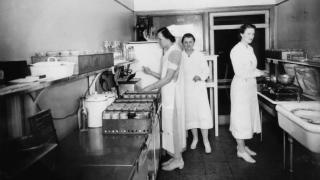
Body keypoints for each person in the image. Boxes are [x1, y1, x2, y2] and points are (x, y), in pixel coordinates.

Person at [142, 27, 186, 171]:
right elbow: (164, 76)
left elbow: (167, 78)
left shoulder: (174, 52)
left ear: (169, 38)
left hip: (173, 96)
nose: (158, 42)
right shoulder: (168, 52)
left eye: (160, 39)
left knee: (174, 129)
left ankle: (178, 160)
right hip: (168, 95)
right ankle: (174, 157)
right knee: (169, 128)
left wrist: (149, 88)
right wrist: (150, 72)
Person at [229, 24, 267, 163]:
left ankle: (243, 147)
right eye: (249, 33)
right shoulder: (236, 50)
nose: (251, 36)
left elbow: (252, 67)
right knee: (240, 118)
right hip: (240, 87)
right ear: (242, 34)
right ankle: (241, 150)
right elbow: (240, 72)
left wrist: (261, 72)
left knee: (248, 117)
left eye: (253, 34)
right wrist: (258, 73)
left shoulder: (249, 48)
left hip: (250, 86)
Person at [181, 33, 213, 153]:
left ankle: (206, 141)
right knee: (191, 115)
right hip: (186, 91)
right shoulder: (181, 56)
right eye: (185, 42)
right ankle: (195, 139)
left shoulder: (199, 55)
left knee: (202, 114)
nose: (188, 44)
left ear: (194, 43)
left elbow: (206, 71)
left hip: (199, 89)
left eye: (190, 42)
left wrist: (199, 76)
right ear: (182, 44)